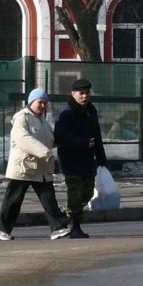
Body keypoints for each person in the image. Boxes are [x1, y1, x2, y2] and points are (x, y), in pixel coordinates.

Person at [0, 88, 72, 242]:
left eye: (45, 103)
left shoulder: (43, 121)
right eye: (40, 102)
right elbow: (24, 139)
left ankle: (58, 227)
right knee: (13, 200)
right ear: (31, 102)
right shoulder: (22, 118)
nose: (43, 106)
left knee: (48, 198)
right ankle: (2, 229)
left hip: (41, 168)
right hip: (23, 168)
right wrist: (45, 153)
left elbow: (49, 139)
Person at [53, 76, 108, 238]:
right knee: (76, 194)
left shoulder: (91, 111)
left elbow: (96, 135)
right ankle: (74, 227)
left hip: (87, 160)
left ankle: (67, 213)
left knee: (88, 193)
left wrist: (101, 157)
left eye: (87, 93)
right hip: (71, 161)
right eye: (81, 93)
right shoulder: (66, 113)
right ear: (73, 94)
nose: (84, 96)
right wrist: (83, 142)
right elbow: (61, 138)